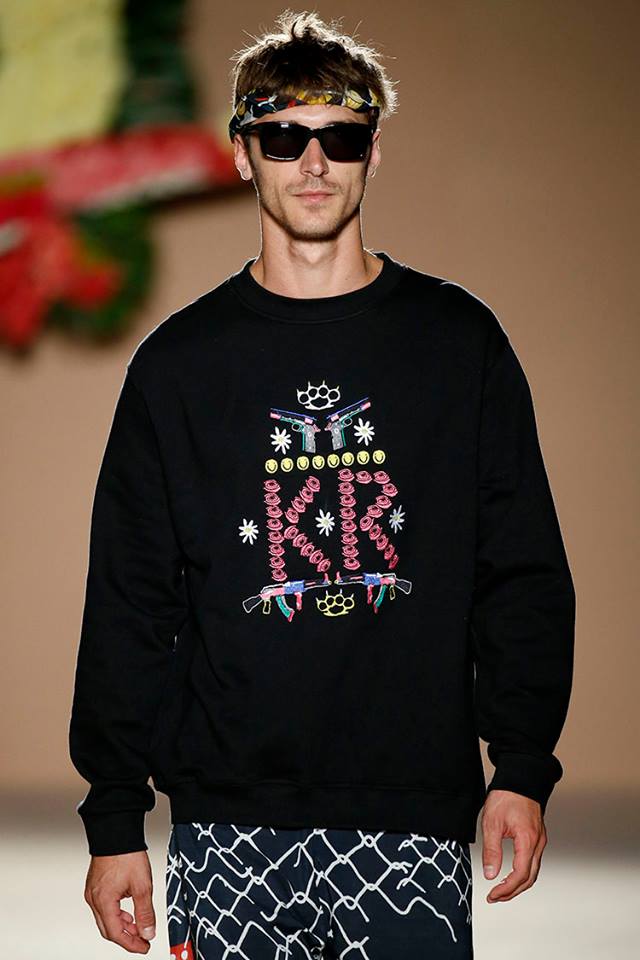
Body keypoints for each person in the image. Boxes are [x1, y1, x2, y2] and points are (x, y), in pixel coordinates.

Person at [68, 10, 576, 958]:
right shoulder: (180, 367)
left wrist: (521, 765)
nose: (312, 161)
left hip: (410, 820)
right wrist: (113, 815)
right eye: (283, 137)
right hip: (227, 825)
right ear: (242, 154)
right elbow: (133, 598)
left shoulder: (457, 344)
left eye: (340, 138)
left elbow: (520, 567)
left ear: (372, 154)